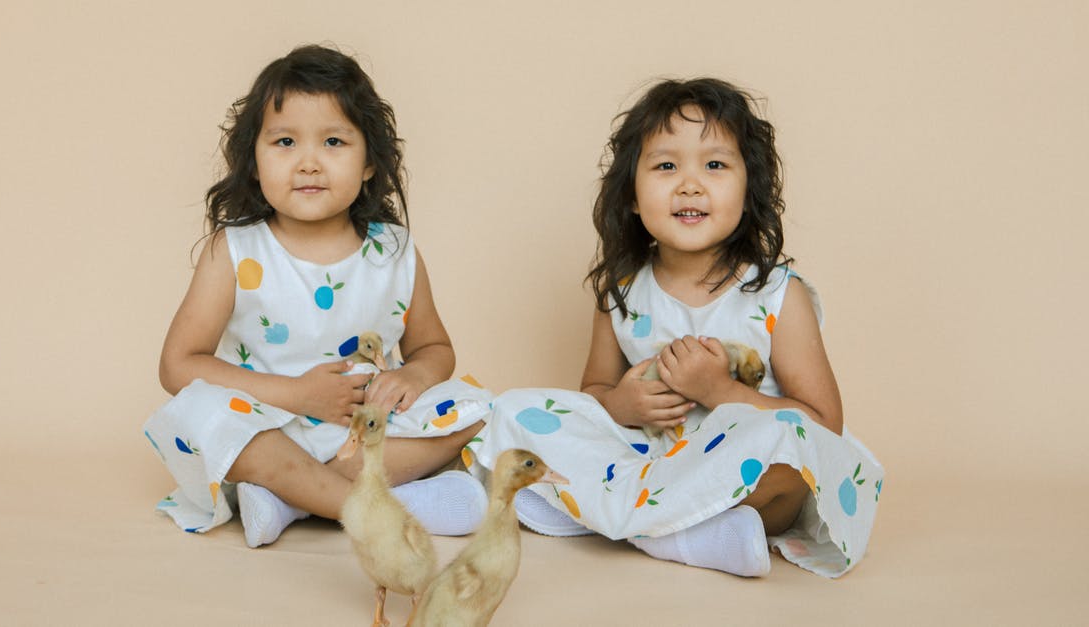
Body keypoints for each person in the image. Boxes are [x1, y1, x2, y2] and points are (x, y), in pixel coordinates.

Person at [468, 78, 882, 578]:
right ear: (633, 199)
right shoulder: (620, 291)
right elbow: (593, 397)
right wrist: (622, 403)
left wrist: (720, 390)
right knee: (515, 409)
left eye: (715, 165)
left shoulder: (777, 294)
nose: (690, 184)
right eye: (666, 166)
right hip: (651, 463)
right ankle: (678, 531)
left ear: (749, 190)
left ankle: (621, 521)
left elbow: (822, 424)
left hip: (745, 474)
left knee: (790, 446)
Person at [143, 44, 492, 548]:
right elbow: (177, 367)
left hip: (359, 436)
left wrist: (411, 375)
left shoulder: (394, 253)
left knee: (479, 408)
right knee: (205, 418)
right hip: (265, 431)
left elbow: (435, 349)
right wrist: (295, 396)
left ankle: (292, 499)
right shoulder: (236, 250)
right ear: (254, 162)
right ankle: (367, 508)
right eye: (285, 142)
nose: (308, 163)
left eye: (333, 142)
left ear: (370, 162)